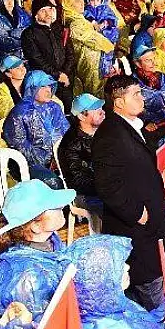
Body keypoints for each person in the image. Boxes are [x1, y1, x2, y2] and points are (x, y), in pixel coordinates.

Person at [92, 75, 165, 312]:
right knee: (148, 281)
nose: (142, 99)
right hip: (136, 224)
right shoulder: (109, 136)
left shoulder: (131, 126)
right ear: (119, 103)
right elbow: (106, 185)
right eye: (136, 95)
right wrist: (135, 213)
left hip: (150, 213)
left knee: (157, 273)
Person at [0, 180, 75, 325]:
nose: (62, 206)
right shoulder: (26, 278)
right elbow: (38, 328)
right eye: (54, 207)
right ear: (36, 226)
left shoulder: (50, 239)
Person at [2, 70, 70, 187]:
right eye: (43, 87)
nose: (48, 90)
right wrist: (48, 161)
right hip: (29, 165)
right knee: (53, 182)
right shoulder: (19, 113)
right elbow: (20, 147)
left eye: (49, 86)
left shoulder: (54, 107)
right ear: (32, 88)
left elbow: (66, 135)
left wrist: (59, 157)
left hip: (58, 158)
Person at [58, 93, 106, 229]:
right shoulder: (71, 144)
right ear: (81, 116)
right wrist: (107, 185)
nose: (102, 112)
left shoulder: (106, 132)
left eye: (100, 108)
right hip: (88, 194)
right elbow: (77, 180)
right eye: (96, 109)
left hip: (109, 185)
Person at [131, 46, 165, 141]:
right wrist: (145, 123)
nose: (154, 63)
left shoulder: (162, 76)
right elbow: (132, 108)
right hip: (154, 128)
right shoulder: (133, 84)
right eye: (148, 60)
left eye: (154, 59)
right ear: (138, 64)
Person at [21, 0, 71, 100]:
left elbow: (70, 53)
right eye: (43, 11)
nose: (48, 13)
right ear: (36, 15)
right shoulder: (29, 33)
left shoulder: (59, 28)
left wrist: (65, 73)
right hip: (43, 82)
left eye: (50, 9)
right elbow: (36, 59)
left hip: (65, 79)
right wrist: (57, 75)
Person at [0, 55, 27, 120]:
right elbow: (6, 114)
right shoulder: (1, 91)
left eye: (23, 66)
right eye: (17, 68)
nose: (22, 70)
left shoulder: (28, 83)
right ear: (8, 74)